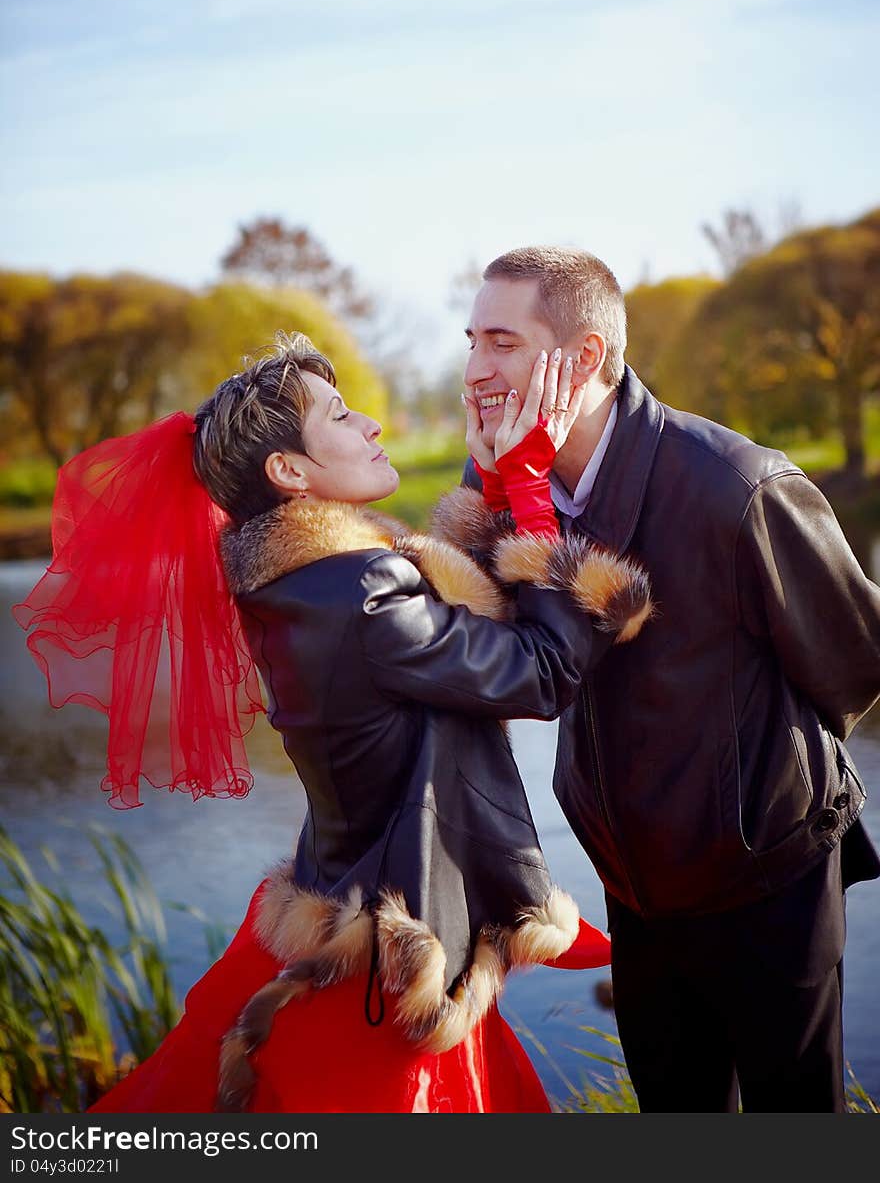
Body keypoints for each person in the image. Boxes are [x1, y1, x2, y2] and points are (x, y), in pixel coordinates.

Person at [13, 330, 653, 1115]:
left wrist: (490, 485)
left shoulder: (294, 584)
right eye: (342, 417)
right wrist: (525, 492)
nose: (373, 425)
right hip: (399, 946)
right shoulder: (364, 588)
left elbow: (457, 638)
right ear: (289, 472)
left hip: (357, 905)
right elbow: (542, 673)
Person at [452, 245, 880, 1114]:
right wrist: (496, 494)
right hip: (635, 887)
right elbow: (490, 661)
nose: (473, 371)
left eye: (501, 343)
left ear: (583, 360)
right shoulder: (503, 478)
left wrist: (750, 787)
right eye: (472, 341)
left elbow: (855, 662)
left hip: (769, 880)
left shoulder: (737, 487)